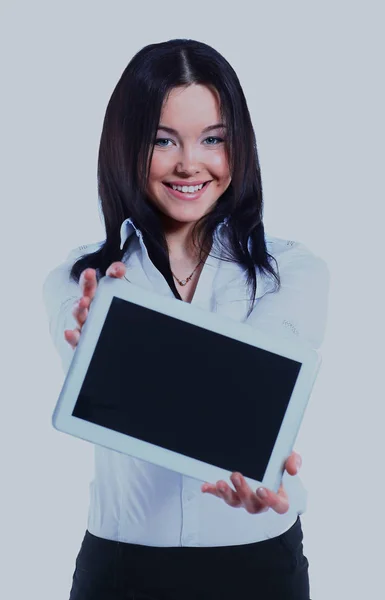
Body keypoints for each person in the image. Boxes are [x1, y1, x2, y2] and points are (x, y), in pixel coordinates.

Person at [43, 38, 329, 600]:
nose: (189, 163)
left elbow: (254, 382)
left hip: (260, 562)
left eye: (213, 139)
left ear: (238, 146)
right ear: (126, 147)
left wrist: (134, 358)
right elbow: (112, 408)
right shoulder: (80, 282)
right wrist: (98, 342)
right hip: (123, 570)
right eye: (163, 140)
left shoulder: (291, 271)